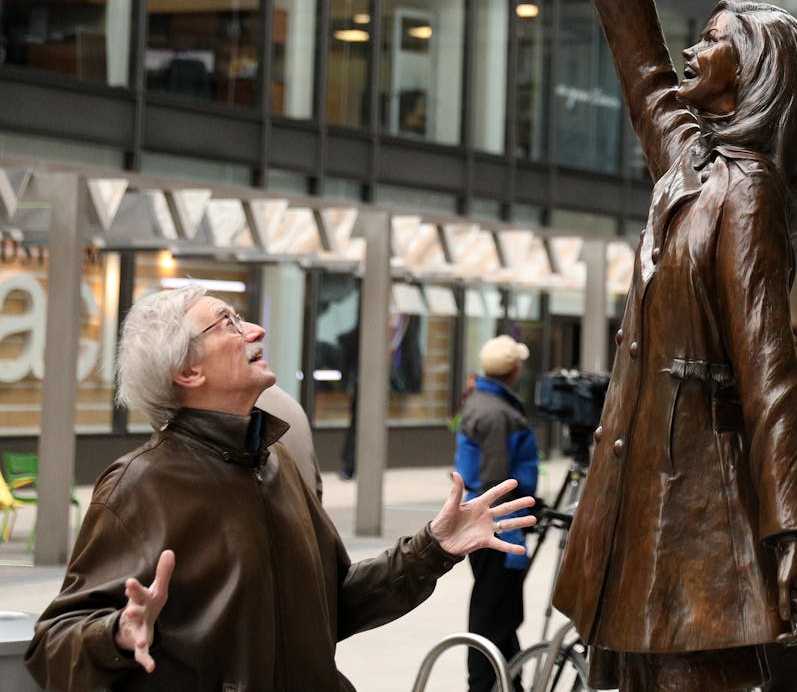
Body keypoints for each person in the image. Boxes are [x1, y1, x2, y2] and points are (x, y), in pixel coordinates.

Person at [549, 0, 797, 692]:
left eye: (713, 40)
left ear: (755, 71)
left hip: (705, 510)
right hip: (642, 497)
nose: (694, 50)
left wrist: (793, 533)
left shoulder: (749, 193)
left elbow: (771, 371)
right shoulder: (692, 168)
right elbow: (646, 85)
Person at [24, 285, 535, 691]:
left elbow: (336, 605)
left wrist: (433, 548)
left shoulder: (277, 463)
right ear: (187, 370)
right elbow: (52, 647)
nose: (255, 330)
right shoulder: (139, 484)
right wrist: (116, 633)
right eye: (229, 323)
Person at [456, 334, 540, 692]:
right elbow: (496, 481)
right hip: (497, 528)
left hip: (486, 524)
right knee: (493, 618)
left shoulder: (482, 401)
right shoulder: (498, 413)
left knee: (499, 617)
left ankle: (509, 683)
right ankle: (483, 685)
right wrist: (509, 530)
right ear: (515, 370)